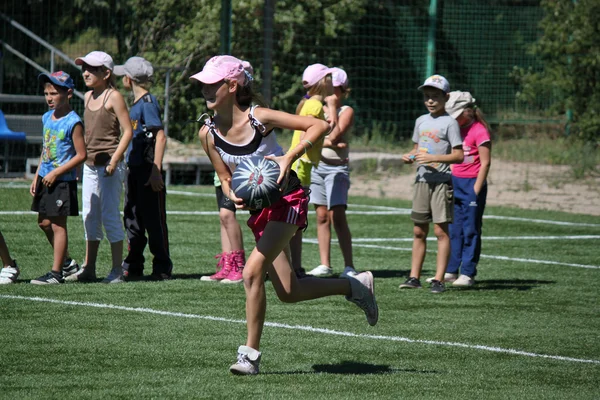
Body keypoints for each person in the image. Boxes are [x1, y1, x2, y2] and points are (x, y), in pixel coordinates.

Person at [192, 55, 377, 375]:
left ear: (232, 85)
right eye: (203, 85)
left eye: (212, 84)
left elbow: (318, 125)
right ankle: (354, 286)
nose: (205, 90)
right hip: (261, 211)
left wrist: (287, 157)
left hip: (288, 200)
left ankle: (249, 356)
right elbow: (223, 176)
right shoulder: (207, 133)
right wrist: (232, 193)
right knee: (289, 291)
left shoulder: (258, 118)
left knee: (251, 274)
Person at [67, 51, 133, 283]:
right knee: (90, 216)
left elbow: (128, 131)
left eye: (92, 69)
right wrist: (79, 161)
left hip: (109, 168)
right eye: (84, 68)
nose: (85, 72)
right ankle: (90, 267)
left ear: (106, 73)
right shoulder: (86, 97)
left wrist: (115, 160)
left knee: (109, 215)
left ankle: (117, 269)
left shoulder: (114, 97)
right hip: (90, 166)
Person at [399, 75, 463, 294]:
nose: (430, 101)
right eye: (427, 97)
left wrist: (436, 161)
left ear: (445, 97)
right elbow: (418, 149)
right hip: (422, 181)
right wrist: (410, 156)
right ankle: (413, 276)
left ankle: (439, 279)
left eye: (435, 97)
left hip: (441, 183)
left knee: (440, 231)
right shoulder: (420, 121)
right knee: (418, 231)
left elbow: (459, 155)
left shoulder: (451, 123)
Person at [113, 56, 173, 282]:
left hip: (148, 170)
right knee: (133, 217)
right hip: (135, 170)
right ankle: (134, 264)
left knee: (154, 220)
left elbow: (160, 136)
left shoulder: (147, 103)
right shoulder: (137, 105)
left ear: (129, 80)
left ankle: (162, 266)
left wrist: (156, 170)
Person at [29, 71, 87, 284]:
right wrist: (37, 175)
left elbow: (82, 155)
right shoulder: (46, 117)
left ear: (69, 93)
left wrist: (56, 172)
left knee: (57, 225)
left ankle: (56, 274)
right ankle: (67, 263)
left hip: (62, 181)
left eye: (54, 93)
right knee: (44, 223)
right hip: (46, 178)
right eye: (46, 93)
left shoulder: (74, 122)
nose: (49, 98)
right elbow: (45, 150)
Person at [200, 60, 254, 284]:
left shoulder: (253, 115)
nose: (206, 90)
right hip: (223, 173)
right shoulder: (210, 127)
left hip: (247, 176)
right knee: (223, 217)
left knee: (230, 215)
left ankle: (240, 265)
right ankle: (228, 263)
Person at [306, 67, 357, 278]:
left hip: (337, 169)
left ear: (344, 91)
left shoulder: (345, 111)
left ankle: (349, 266)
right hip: (318, 167)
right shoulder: (317, 108)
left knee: (338, 216)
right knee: (321, 216)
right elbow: (308, 134)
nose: (331, 93)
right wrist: (324, 139)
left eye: (336, 89)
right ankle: (325, 263)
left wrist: (333, 109)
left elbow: (334, 135)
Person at [289, 63, 338, 277]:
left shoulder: (311, 104)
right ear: (322, 82)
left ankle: (295, 266)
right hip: (300, 167)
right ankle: (293, 267)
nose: (333, 82)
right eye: (329, 77)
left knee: (294, 222)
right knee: (293, 222)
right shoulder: (316, 107)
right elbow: (305, 138)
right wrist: (333, 110)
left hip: (301, 166)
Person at [441, 91, 491, 286]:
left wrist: (475, 192)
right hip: (455, 183)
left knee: (471, 229)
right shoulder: (455, 129)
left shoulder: (480, 131)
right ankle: (451, 270)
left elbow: (485, 164)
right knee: (454, 229)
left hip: (472, 185)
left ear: (468, 111)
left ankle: (468, 273)